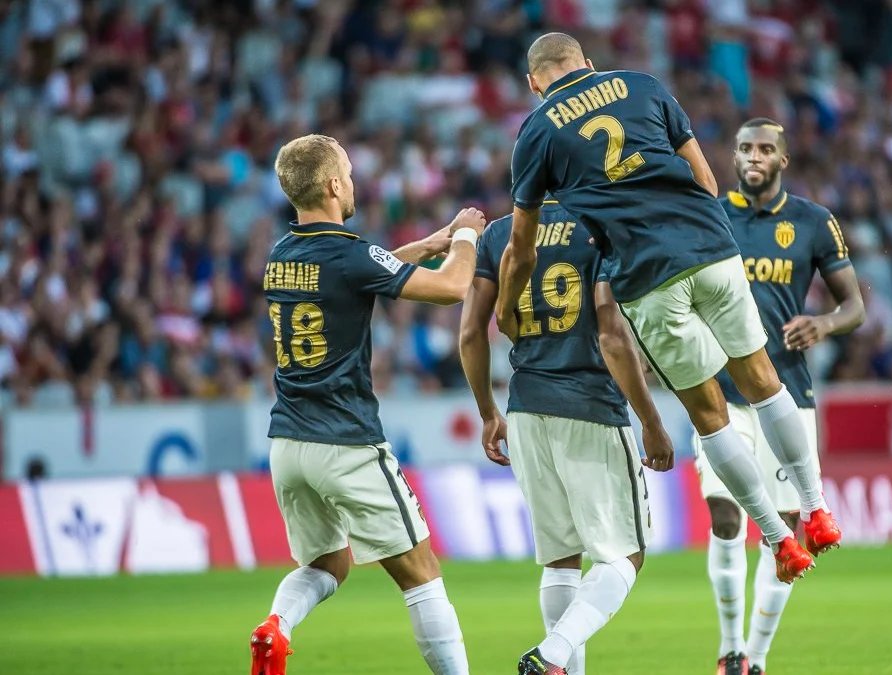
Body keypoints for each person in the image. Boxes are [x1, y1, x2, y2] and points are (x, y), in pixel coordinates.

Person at [497, 32, 838, 604]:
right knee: (762, 380)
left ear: (535, 83)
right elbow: (703, 174)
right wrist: (719, 240)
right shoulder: (642, 84)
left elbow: (523, 246)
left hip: (644, 274)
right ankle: (818, 508)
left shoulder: (535, 132)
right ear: (588, 63)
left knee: (710, 416)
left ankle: (781, 539)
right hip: (710, 247)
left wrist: (507, 304)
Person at [249, 134, 486, 675]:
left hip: (288, 443)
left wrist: (432, 241)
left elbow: (362, 276)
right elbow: (450, 288)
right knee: (421, 573)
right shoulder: (349, 255)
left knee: (328, 563)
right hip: (347, 442)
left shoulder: (281, 256)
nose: (353, 183)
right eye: (349, 175)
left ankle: (275, 627)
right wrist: (466, 238)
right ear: (333, 185)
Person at [460, 199, 673, 675]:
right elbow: (612, 337)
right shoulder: (602, 226)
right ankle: (552, 654)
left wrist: (487, 412)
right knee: (626, 555)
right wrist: (652, 423)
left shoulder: (499, 235)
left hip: (526, 409)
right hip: (591, 406)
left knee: (560, 560)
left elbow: (473, 335)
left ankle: (556, 663)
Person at [698, 119, 865, 675]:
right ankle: (730, 650)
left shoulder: (814, 222)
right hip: (721, 390)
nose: (753, 156)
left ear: (782, 160)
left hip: (787, 393)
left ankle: (759, 658)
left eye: (765, 149)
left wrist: (823, 325)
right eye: (744, 147)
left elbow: (854, 307)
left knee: (791, 529)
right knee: (725, 516)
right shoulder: (712, 213)